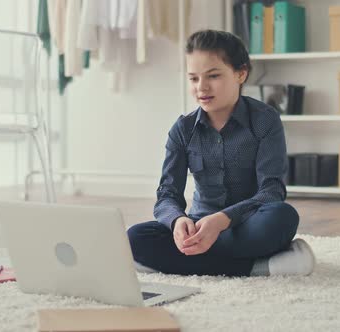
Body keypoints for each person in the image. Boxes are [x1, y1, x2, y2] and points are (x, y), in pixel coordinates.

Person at [127, 30, 315, 277]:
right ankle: (257, 267)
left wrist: (222, 220)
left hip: (246, 225)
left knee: (282, 217)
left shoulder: (265, 121)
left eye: (213, 76)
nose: (201, 87)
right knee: (135, 238)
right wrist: (177, 221)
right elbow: (167, 194)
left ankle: (179, 262)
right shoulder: (182, 130)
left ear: (241, 73)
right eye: (193, 79)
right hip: (199, 226)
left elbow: (272, 191)